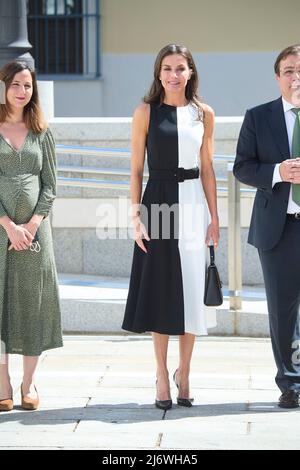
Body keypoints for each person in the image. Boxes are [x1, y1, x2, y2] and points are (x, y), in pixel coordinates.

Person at [122, 44, 219, 410]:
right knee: (162, 290)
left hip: (194, 203)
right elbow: (134, 169)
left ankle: (186, 373)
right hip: (158, 203)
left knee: (193, 290)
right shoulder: (145, 112)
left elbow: (208, 168)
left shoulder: (204, 113)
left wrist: (215, 217)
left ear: (191, 72)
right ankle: (162, 375)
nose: (173, 75)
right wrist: (135, 217)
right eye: (167, 68)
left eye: (180, 68)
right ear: (158, 73)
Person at [234, 44, 300, 408]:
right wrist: (277, 172)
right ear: (278, 78)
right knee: (283, 309)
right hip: (279, 228)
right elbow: (242, 166)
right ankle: (291, 383)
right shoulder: (259, 117)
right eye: (289, 70)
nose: (296, 77)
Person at [0, 61, 63, 412]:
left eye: (27, 86)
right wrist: (9, 226)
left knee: (34, 302)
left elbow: (51, 185)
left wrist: (33, 224)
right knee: (1, 303)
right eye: (15, 85)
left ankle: (29, 382)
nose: (22, 91)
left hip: (37, 235)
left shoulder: (41, 130)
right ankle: (3, 383)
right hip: (0, 231)